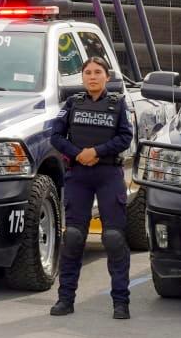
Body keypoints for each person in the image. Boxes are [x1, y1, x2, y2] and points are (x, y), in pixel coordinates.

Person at [48, 56, 133, 319]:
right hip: (79, 175)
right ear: (82, 77)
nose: (92, 77)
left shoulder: (117, 104)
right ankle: (65, 300)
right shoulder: (72, 104)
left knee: (113, 238)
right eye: (88, 73)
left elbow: (125, 137)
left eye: (98, 72)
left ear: (107, 77)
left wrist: (96, 151)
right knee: (73, 236)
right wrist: (78, 154)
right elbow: (56, 136)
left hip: (108, 173)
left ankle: (120, 302)